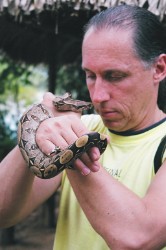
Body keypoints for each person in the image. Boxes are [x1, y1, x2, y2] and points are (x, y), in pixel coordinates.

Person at [1, 4, 166, 250]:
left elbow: (136, 238)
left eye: (115, 76)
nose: (97, 96)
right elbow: (3, 212)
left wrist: (71, 149)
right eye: (90, 75)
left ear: (159, 69)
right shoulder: (82, 125)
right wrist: (35, 129)